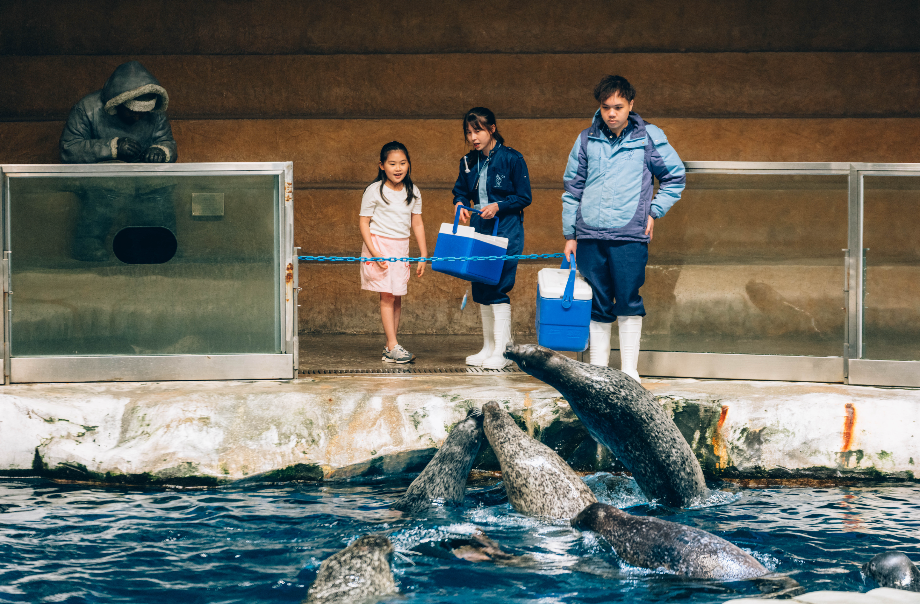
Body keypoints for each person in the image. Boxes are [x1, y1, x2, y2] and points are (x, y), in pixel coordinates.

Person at [561, 75, 685, 381]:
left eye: (618, 106)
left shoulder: (648, 137)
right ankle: (598, 371)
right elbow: (572, 189)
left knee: (628, 300)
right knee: (598, 301)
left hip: (630, 234)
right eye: (606, 107)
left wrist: (653, 211)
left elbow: (674, 176)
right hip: (589, 234)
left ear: (631, 105)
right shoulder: (586, 139)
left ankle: (629, 370)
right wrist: (570, 234)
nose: (612, 113)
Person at [60, 60, 178, 261]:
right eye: (132, 111)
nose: (138, 118)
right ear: (117, 102)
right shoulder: (87, 109)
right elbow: (69, 149)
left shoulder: (155, 115)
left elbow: (167, 141)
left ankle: (161, 246)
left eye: (143, 113)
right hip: (100, 181)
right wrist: (111, 148)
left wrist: (161, 151)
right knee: (111, 183)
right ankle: (88, 242)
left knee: (158, 189)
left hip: (144, 177)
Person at [452, 108, 532, 370]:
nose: (473, 137)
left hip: (505, 228)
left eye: (478, 130)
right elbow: (461, 191)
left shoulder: (512, 158)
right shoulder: (467, 161)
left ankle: (504, 351)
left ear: (492, 129)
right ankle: (489, 347)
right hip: (480, 228)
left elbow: (524, 197)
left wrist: (499, 206)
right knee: (481, 287)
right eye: (469, 132)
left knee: (498, 286)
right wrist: (461, 204)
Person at [359, 141, 428, 364]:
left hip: (401, 247)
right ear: (382, 166)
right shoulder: (374, 190)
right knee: (387, 296)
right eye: (392, 164)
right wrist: (375, 252)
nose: (398, 168)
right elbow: (364, 223)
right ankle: (392, 345)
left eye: (402, 163)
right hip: (380, 247)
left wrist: (423, 254)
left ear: (408, 164)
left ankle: (392, 345)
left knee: (397, 296)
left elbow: (417, 223)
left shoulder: (413, 191)